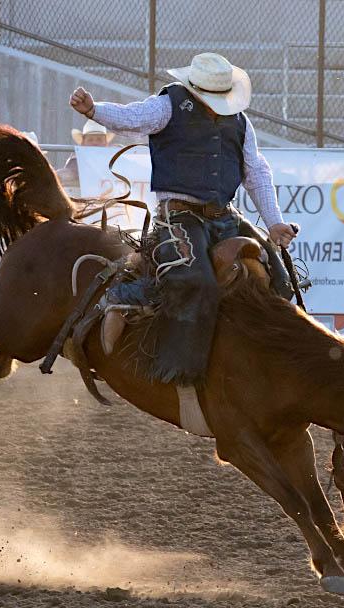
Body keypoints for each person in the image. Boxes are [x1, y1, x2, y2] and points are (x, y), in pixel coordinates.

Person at [68, 52, 300, 385]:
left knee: (278, 278)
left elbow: (256, 171)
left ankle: (263, 357)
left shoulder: (240, 122)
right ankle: (174, 360)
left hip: (224, 215)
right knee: (196, 281)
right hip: (178, 217)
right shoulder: (169, 104)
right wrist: (94, 110)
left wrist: (274, 221)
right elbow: (134, 117)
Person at [56, 118, 116, 194]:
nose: (95, 143)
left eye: (99, 139)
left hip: (114, 202)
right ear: (83, 143)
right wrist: (57, 176)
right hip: (85, 202)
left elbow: (129, 168)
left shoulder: (115, 157)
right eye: (90, 140)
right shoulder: (77, 158)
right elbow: (70, 171)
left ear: (106, 143)